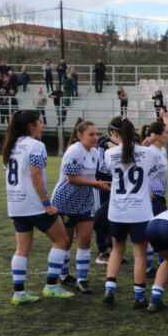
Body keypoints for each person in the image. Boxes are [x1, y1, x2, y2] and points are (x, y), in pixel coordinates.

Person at [3, 110, 75, 305]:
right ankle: (51, 286)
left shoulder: (11, 144)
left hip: (15, 205)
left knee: (22, 249)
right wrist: (47, 204)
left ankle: (19, 293)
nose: (43, 125)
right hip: (35, 205)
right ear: (30, 126)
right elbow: (35, 177)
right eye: (40, 122)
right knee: (62, 240)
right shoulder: (36, 146)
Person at [102, 118, 161, 307]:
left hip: (117, 210)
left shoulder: (109, 153)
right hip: (139, 211)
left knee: (116, 251)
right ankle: (138, 296)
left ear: (115, 133)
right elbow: (149, 171)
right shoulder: (148, 152)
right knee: (140, 255)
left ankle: (109, 290)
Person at [50, 119, 111, 294]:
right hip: (65, 201)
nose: (95, 137)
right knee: (66, 241)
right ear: (79, 135)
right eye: (91, 134)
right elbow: (71, 178)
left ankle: (82, 280)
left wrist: (106, 183)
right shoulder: (74, 150)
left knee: (85, 240)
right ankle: (64, 276)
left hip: (84, 202)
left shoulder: (94, 152)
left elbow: (97, 174)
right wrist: (95, 184)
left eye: (96, 133)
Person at [140, 120, 168, 277]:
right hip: (152, 196)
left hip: (160, 195)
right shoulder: (150, 152)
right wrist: (148, 191)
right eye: (166, 132)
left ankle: (161, 262)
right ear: (157, 136)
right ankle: (146, 268)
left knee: (160, 230)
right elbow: (140, 173)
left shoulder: (162, 151)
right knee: (154, 231)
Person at [94, 117, 122, 265]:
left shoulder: (126, 145)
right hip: (102, 185)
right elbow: (101, 167)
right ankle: (102, 251)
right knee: (101, 216)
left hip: (118, 186)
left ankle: (113, 249)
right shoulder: (103, 144)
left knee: (115, 217)